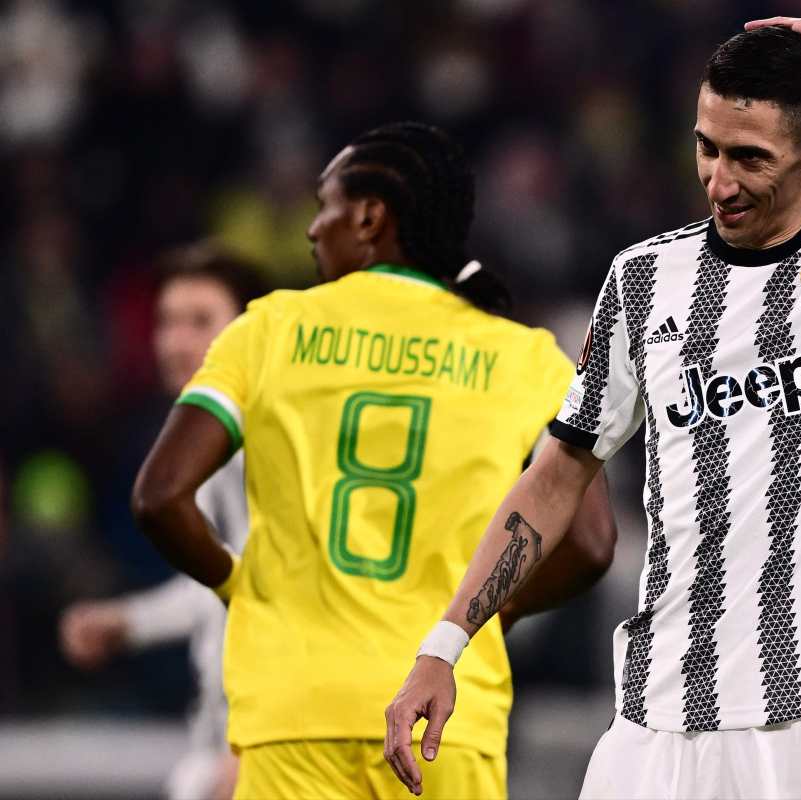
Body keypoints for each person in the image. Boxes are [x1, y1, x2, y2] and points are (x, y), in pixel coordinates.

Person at [386, 17, 801, 800]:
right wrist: (445, 644)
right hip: (660, 719)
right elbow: (557, 474)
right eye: (707, 148)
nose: (720, 182)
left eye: (750, 157)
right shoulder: (644, 280)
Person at [130, 122, 617, 800]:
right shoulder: (526, 357)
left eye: (324, 206)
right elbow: (591, 545)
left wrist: (239, 588)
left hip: (295, 714)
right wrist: (489, 613)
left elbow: (159, 497)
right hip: (449, 716)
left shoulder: (268, 330)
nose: (312, 229)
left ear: (368, 218)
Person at [60, 243, 266, 800]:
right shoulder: (213, 438)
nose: (176, 341)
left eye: (200, 321)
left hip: (267, 739)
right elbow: (228, 583)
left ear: (250, 333)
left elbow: (292, 596)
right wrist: (126, 622)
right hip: (226, 733)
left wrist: (252, 749)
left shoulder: (267, 443)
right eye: (167, 321)